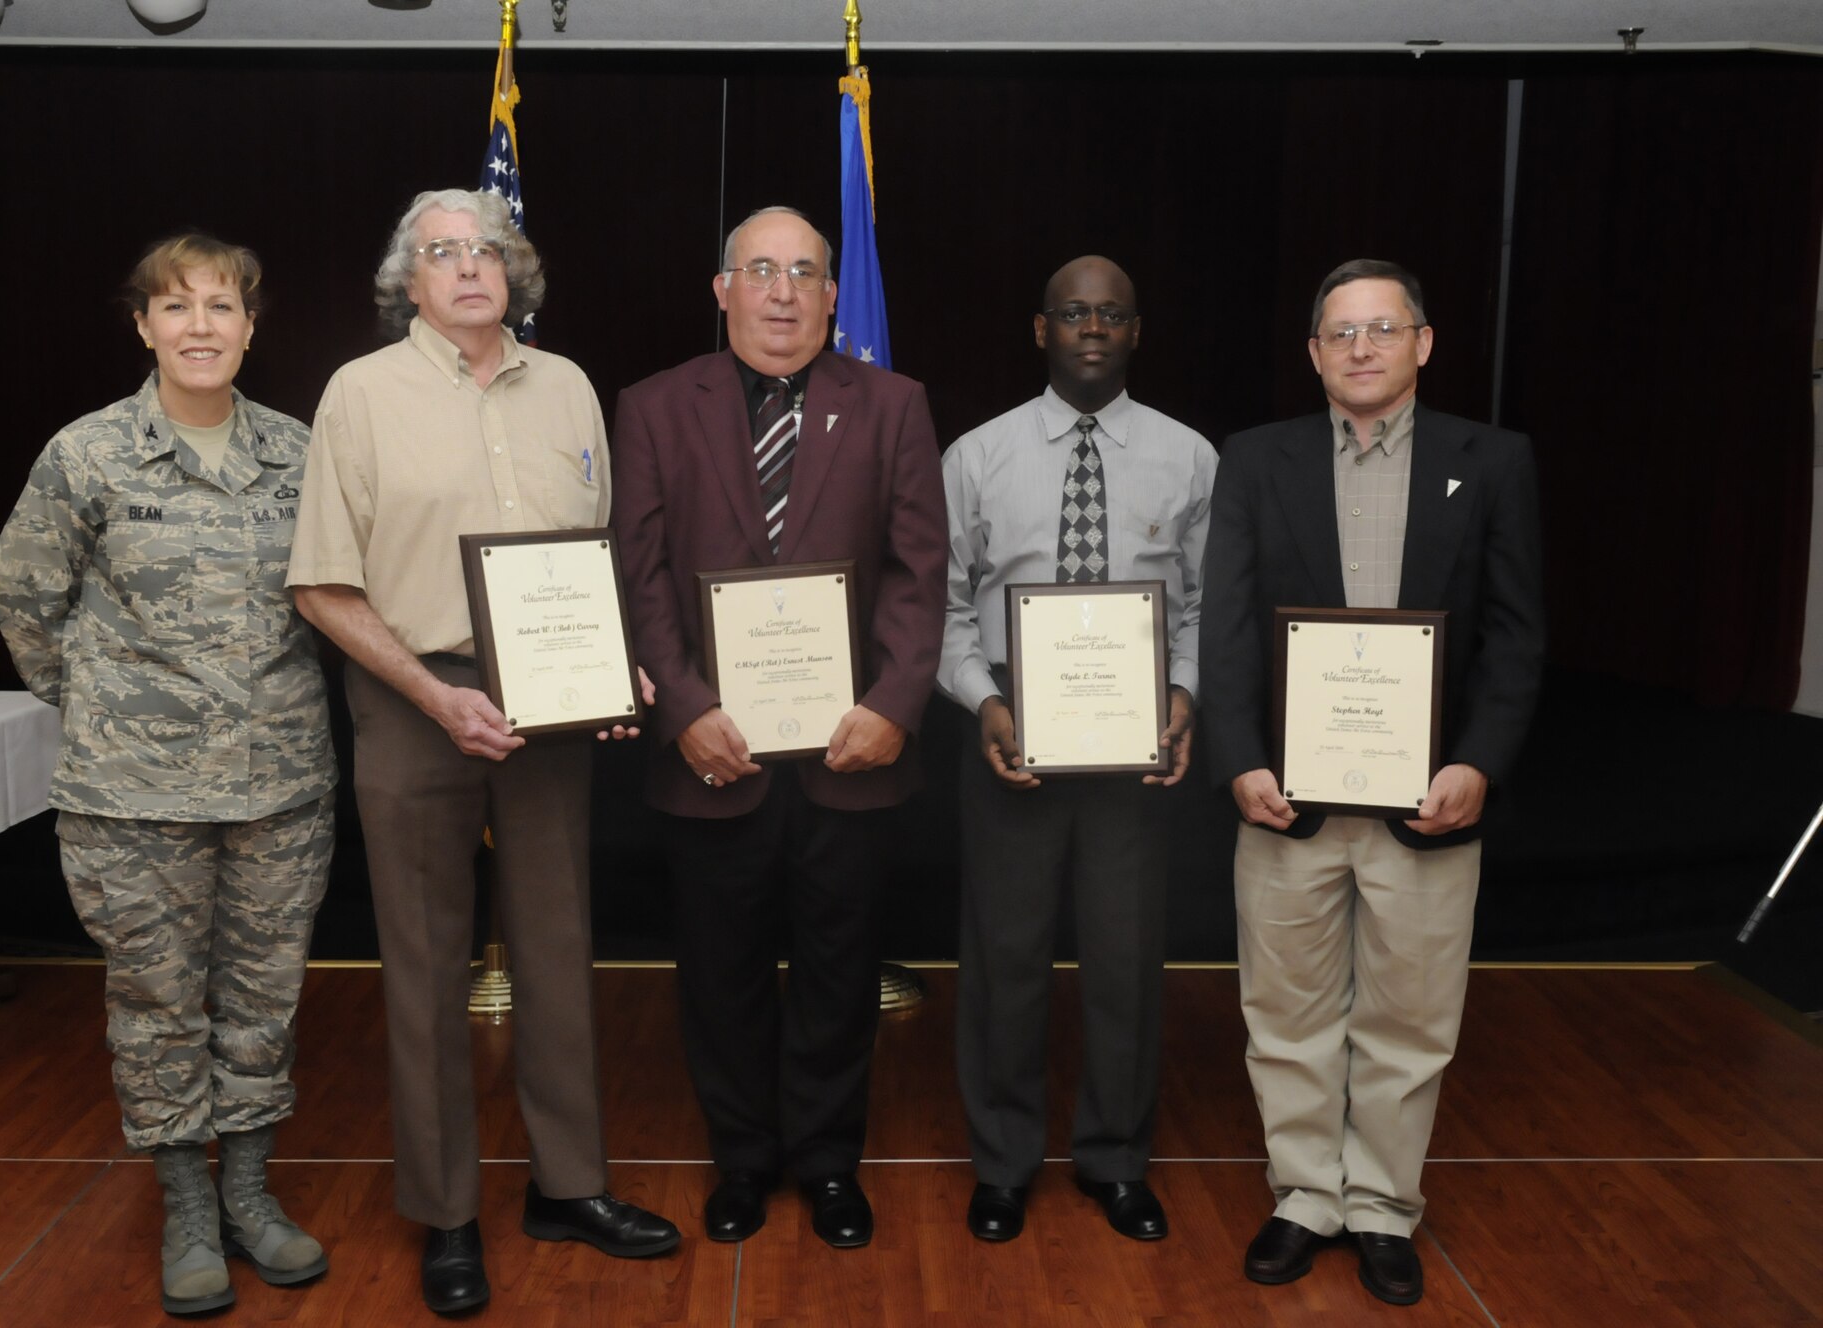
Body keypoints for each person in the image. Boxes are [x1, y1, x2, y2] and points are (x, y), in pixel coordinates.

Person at [288, 188, 677, 1317]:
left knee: (558, 945)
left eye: (488, 249)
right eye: (442, 251)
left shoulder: (565, 387)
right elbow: (320, 581)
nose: (469, 266)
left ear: (517, 273)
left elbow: (599, 554)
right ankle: (448, 1209)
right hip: (414, 700)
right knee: (423, 963)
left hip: (553, 700)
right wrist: (432, 693)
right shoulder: (358, 394)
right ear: (406, 281)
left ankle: (568, 1184)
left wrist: (620, 668)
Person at [0, 234, 337, 1316]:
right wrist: (111, 710)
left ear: (249, 324)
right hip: (129, 798)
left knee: (260, 999)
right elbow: (27, 601)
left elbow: (336, 598)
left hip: (277, 786)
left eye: (220, 305)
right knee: (155, 1005)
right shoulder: (88, 455)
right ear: (142, 326)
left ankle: (248, 1190)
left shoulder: (299, 451)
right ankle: (186, 1202)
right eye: (175, 306)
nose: (199, 325)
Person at [1200, 259, 1545, 1307]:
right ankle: (1304, 1195)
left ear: (1421, 343)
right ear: (1312, 352)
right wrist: (1238, 756)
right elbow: (1222, 624)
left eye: (1380, 329)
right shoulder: (1255, 461)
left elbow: (1517, 636)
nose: (1359, 348)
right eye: (1339, 333)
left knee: (1407, 1019)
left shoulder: (1490, 462)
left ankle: (1382, 1206)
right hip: (1286, 800)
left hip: (1427, 802)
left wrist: (1476, 761)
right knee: (1287, 1011)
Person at [611, 205, 946, 1249]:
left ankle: (829, 1162)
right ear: (723, 290)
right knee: (721, 973)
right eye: (759, 269)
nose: (782, 291)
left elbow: (917, 571)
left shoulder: (891, 404)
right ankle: (745, 1159)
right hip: (714, 758)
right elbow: (638, 574)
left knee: (842, 970)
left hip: (850, 754)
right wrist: (683, 709)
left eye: (804, 270)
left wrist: (891, 705)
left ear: (834, 294)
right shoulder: (655, 406)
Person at [937, 256, 1214, 1244]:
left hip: (1133, 754)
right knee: (1004, 959)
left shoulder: (1189, 457)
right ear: (1039, 328)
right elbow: (946, 607)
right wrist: (981, 703)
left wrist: (1182, 692)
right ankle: (1003, 1164)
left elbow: (1197, 604)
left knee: (1125, 963)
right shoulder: (976, 455)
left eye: (1109, 313)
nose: (1089, 326)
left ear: (1135, 331)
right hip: (1014, 738)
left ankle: (1114, 1160)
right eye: (1071, 312)